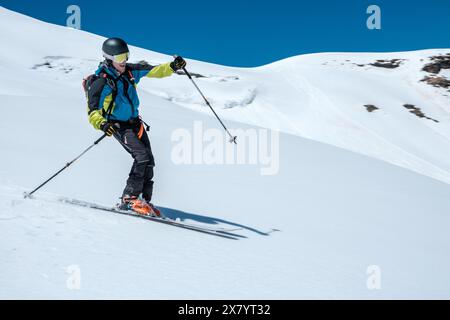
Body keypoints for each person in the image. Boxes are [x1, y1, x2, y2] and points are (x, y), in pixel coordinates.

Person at [86, 37, 186, 216]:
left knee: (149, 161)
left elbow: (155, 71)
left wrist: (173, 66)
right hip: (119, 126)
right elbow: (92, 110)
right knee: (141, 156)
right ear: (109, 59)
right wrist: (102, 124)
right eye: (119, 58)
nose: (123, 61)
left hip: (135, 124)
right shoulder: (102, 81)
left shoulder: (130, 71)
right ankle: (129, 198)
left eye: (126, 55)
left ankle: (144, 201)